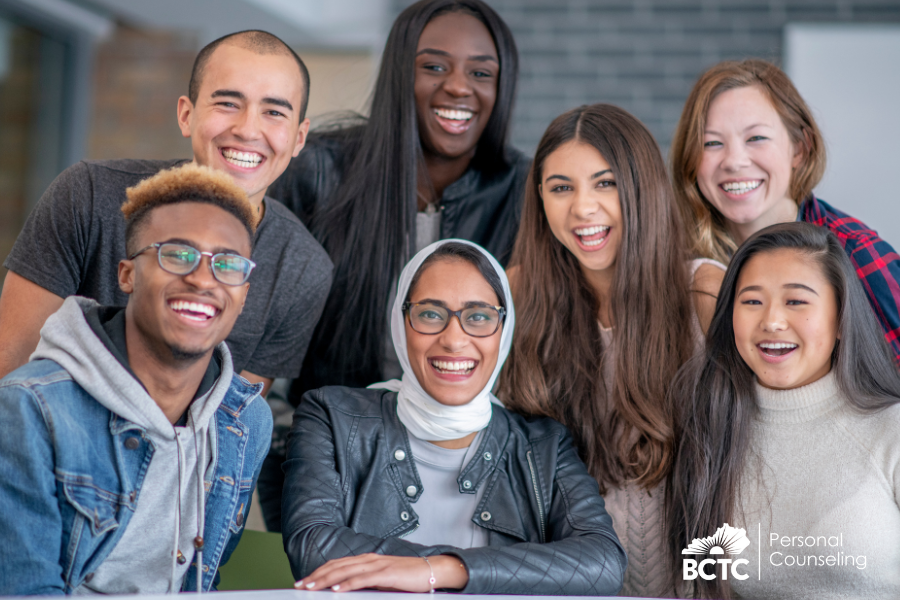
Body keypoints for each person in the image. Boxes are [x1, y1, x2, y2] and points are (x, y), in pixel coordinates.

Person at [261, 0, 529, 532]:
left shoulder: (524, 189)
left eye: (481, 73)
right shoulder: (318, 170)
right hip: (326, 462)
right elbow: (263, 331)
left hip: (469, 472)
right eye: (433, 66)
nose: (458, 87)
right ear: (398, 74)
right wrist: (279, 460)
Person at [281, 240, 626, 595]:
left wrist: (443, 570)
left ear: (503, 331)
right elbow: (313, 545)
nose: (454, 339)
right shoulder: (331, 417)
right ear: (401, 324)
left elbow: (603, 563)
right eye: (430, 314)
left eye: (478, 317)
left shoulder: (543, 446)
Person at [0, 29, 333, 396]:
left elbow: (230, 418)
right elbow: (10, 369)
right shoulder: (88, 195)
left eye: (273, 112)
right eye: (227, 104)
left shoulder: (304, 268)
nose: (248, 129)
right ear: (186, 115)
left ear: (299, 137)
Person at [0, 164, 273, 594]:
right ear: (127, 274)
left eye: (228, 263)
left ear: (244, 294)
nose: (203, 279)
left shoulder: (244, 421)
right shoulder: (29, 411)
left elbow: (199, 581)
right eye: (178, 255)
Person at [498, 103, 725, 598]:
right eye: (561, 188)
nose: (582, 207)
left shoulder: (704, 293)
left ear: (642, 188)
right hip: (565, 586)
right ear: (539, 199)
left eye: (605, 183)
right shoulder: (513, 296)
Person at [667, 222, 900, 600]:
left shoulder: (892, 429)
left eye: (796, 301)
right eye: (752, 302)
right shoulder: (710, 431)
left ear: (841, 319)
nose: (772, 321)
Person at [670, 58, 900, 364]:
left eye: (756, 138)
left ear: (799, 149)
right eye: (712, 142)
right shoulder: (680, 262)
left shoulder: (856, 252)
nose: (734, 161)